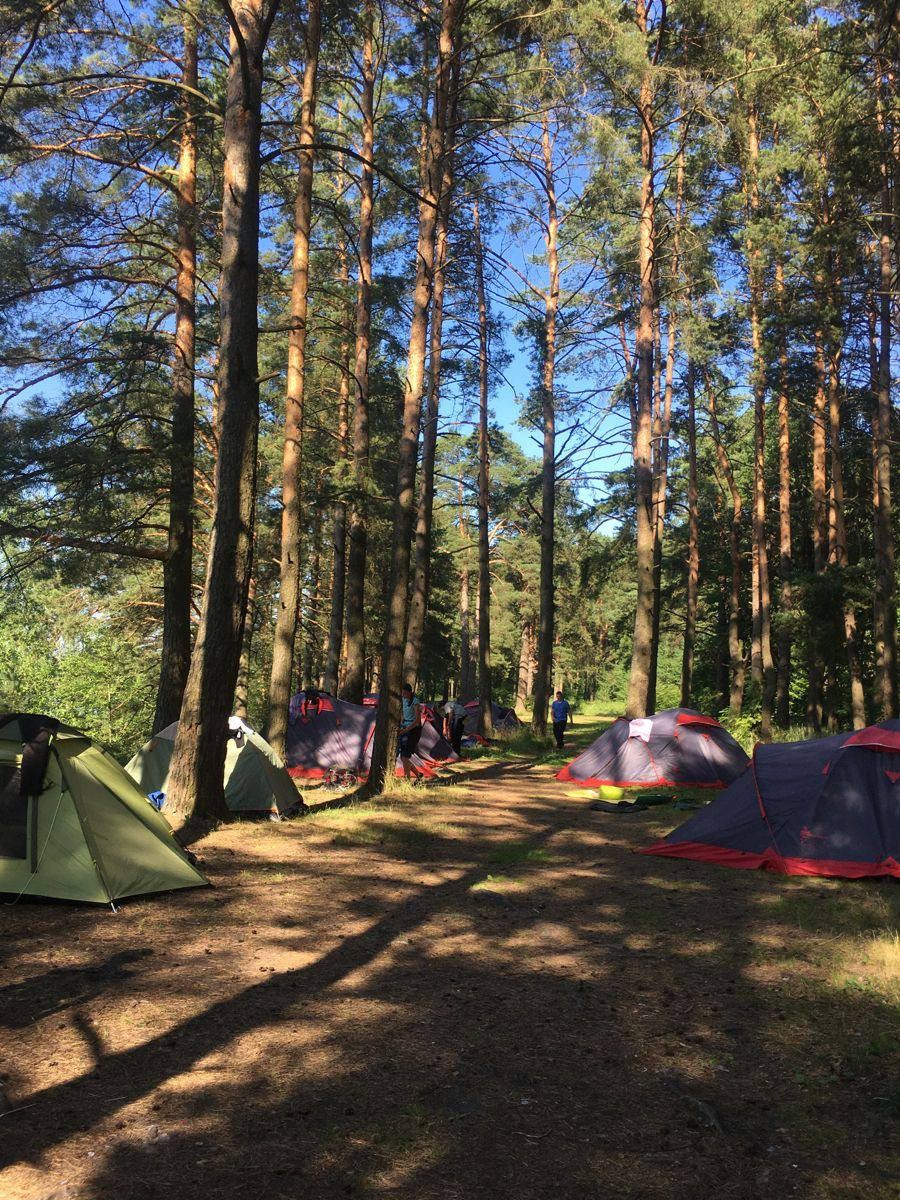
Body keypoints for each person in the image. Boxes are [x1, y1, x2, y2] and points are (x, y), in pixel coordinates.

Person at [398, 683, 423, 780]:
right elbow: (404, 715)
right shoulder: (403, 700)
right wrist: (402, 724)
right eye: (402, 693)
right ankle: (418, 775)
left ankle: (407, 780)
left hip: (413, 730)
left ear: (409, 692)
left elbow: (417, 721)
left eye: (404, 693)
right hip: (405, 729)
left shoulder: (415, 701)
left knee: (404, 757)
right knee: (403, 757)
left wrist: (405, 730)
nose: (403, 694)